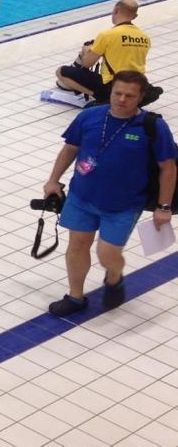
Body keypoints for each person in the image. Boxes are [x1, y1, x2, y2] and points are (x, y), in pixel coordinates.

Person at [42, 71, 176, 316]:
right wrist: (53, 180)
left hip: (124, 205)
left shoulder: (152, 126)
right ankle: (75, 296)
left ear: (141, 97)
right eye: (117, 93)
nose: (122, 99)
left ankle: (114, 277)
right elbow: (70, 148)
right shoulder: (89, 116)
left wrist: (164, 206)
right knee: (77, 245)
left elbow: (167, 168)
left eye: (129, 95)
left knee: (108, 254)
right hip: (82, 197)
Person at [56, 0, 152, 104]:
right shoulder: (145, 37)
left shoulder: (107, 35)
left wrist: (87, 50)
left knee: (61, 71)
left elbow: (87, 63)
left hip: (113, 85)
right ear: (135, 17)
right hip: (137, 85)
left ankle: (101, 97)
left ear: (115, 10)